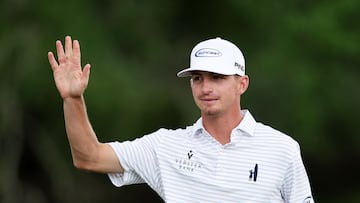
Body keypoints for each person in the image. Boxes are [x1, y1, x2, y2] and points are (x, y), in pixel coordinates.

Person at [48, 36, 314, 202]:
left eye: (217, 78)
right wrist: (73, 100)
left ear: (242, 83)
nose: (205, 87)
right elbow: (89, 157)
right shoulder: (165, 146)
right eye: (198, 78)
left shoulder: (282, 149)